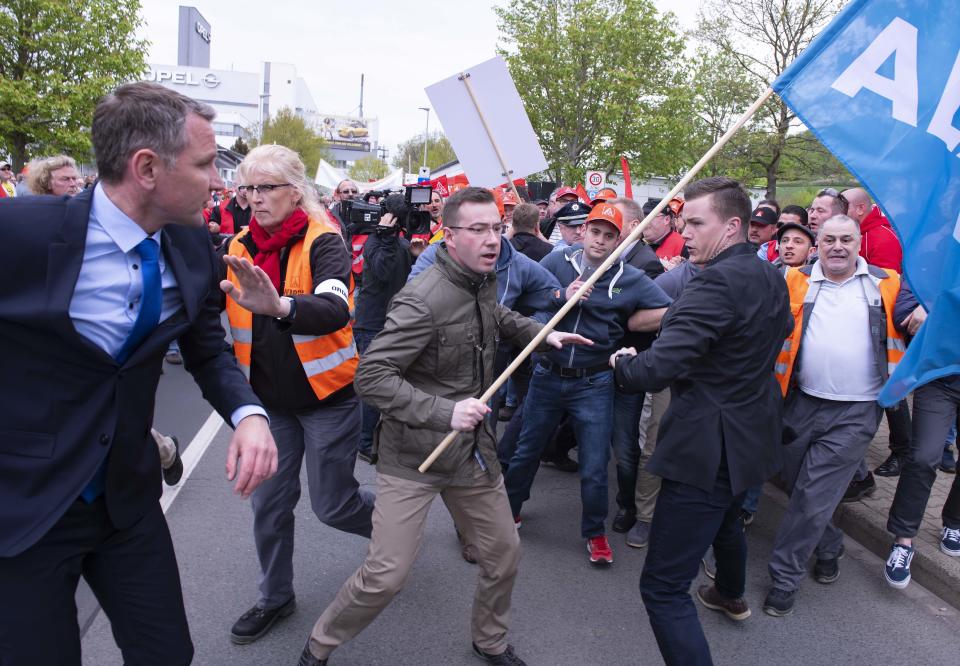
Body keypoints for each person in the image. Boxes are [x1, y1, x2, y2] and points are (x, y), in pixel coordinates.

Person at [0, 81, 278, 665]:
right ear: (147, 167)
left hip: (127, 502)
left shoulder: (194, 246)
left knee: (168, 655)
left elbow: (206, 349)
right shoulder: (18, 233)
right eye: (205, 165)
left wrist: (248, 415)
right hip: (25, 508)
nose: (220, 183)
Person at [297, 187, 590, 666]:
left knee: (503, 553)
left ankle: (489, 641)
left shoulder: (484, 279)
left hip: (471, 453)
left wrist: (542, 333)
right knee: (386, 574)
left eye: (496, 227)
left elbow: (493, 316)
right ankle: (319, 645)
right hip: (414, 454)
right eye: (477, 230)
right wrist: (444, 412)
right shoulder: (422, 298)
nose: (492, 239)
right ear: (449, 237)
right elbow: (370, 377)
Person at [612, 176, 791, 665]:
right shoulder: (769, 275)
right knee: (728, 518)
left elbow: (655, 370)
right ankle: (730, 592)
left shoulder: (715, 283)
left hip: (711, 444)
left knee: (663, 589)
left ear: (732, 227)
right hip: (749, 432)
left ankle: (726, 594)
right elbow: (780, 329)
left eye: (695, 222)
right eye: (683, 222)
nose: (683, 232)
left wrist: (620, 362)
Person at [218, 144, 375, 645]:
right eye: (249, 189)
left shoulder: (324, 239)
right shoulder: (239, 246)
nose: (256, 199)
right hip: (268, 407)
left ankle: (394, 531)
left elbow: (334, 308)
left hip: (328, 400)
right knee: (269, 504)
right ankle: (275, 597)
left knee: (334, 506)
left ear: (296, 191)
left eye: (267, 188)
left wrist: (280, 305)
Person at [505, 203, 671, 566]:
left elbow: (669, 309)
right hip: (547, 375)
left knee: (595, 464)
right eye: (595, 232)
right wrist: (558, 298)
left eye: (609, 235)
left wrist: (633, 326)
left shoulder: (629, 277)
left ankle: (595, 533)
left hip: (594, 381)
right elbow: (525, 297)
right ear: (584, 233)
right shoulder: (557, 262)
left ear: (618, 240)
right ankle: (510, 512)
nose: (600, 240)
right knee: (526, 451)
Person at [764, 215, 903, 616]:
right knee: (793, 481)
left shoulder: (887, 282)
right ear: (816, 245)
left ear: (859, 242)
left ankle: (783, 577)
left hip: (858, 412)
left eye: (846, 239)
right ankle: (828, 544)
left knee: (813, 493)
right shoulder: (795, 280)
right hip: (801, 403)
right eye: (829, 240)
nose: (837, 246)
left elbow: (916, 324)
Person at [882, 283, 959, 588]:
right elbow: (905, 311)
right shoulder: (942, 253)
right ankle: (903, 540)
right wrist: (930, 305)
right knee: (924, 456)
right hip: (939, 379)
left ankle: (954, 522)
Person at [841, 187, 910, 480]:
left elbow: (888, 287)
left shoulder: (882, 238)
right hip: (861, 323)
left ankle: (902, 451)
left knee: (889, 391)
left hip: (881, 329)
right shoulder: (860, 234)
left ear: (859, 209)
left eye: (841, 205)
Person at [607, 196, 665, 534]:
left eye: (616, 222)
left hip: (626, 366)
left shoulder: (646, 263)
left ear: (632, 227)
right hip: (597, 363)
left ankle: (628, 505)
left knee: (625, 446)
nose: (608, 230)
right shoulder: (601, 257)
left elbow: (646, 316)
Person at [354, 207, 428, 462]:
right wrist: (385, 236)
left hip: (397, 320)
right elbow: (383, 271)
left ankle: (387, 439)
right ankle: (364, 443)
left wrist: (418, 258)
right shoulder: (375, 241)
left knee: (398, 382)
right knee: (375, 383)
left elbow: (416, 282)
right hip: (372, 322)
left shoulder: (405, 244)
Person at [641, 197, 686, 262]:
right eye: (643, 218)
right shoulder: (636, 243)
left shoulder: (683, 245)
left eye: (649, 218)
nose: (644, 222)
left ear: (666, 220)